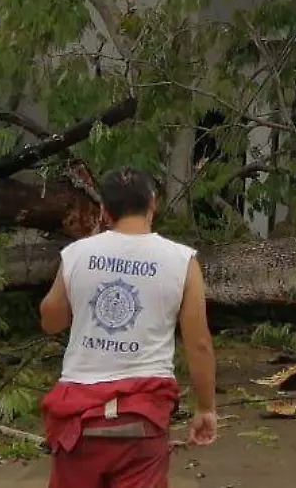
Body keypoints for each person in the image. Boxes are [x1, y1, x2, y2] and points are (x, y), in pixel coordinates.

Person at [38, 167, 218, 488]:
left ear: (105, 212)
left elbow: (51, 321)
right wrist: (206, 408)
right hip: (142, 417)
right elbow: (199, 343)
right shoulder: (182, 260)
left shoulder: (77, 253)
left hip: (79, 419)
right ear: (153, 203)